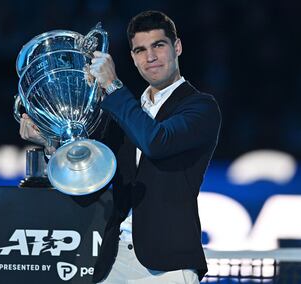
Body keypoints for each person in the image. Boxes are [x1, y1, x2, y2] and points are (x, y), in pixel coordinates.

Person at [20, 10, 221, 283]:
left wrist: (113, 86)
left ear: (177, 47)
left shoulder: (200, 107)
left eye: (158, 46)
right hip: (115, 260)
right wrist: (52, 142)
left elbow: (156, 142)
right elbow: (93, 174)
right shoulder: (129, 111)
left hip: (168, 266)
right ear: (133, 58)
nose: (150, 57)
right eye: (140, 50)